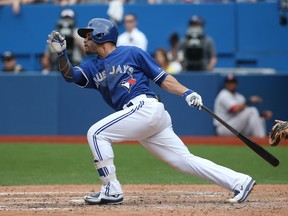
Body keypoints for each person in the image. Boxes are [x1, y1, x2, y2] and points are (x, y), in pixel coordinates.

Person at [47, 18, 255, 205]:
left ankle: (111, 189)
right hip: (142, 118)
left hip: (145, 107)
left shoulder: (132, 53)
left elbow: (162, 78)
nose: (84, 39)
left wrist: (187, 92)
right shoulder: (92, 67)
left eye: (89, 35)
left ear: (102, 35)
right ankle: (239, 181)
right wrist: (61, 54)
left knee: (96, 133)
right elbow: (70, 76)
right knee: (184, 161)